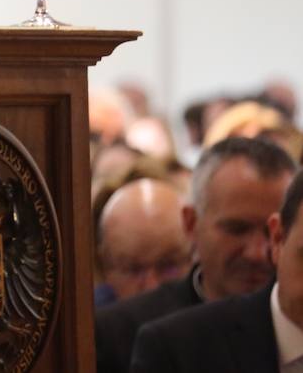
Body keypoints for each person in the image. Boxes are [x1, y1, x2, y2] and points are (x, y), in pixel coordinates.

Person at [95, 136, 298, 373]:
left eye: (271, 233)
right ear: (191, 224)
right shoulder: (121, 332)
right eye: (237, 229)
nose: (256, 253)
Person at [96, 178, 192, 306]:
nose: (151, 287)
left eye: (169, 266)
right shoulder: (86, 320)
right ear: (104, 267)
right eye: (133, 269)